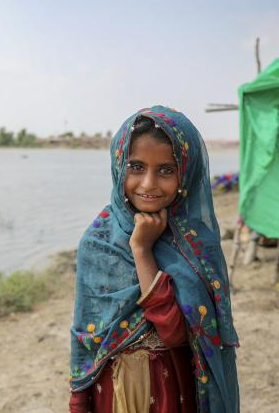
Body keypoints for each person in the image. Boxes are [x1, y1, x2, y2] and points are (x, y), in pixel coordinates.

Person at [69, 106, 240, 413]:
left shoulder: (196, 244)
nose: (148, 184)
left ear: (186, 173)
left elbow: (174, 333)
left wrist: (142, 251)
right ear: (119, 166)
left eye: (165, 170)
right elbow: (85, 336)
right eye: (136, 167)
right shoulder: (98, 242)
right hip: (116, 389)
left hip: (173, 389)